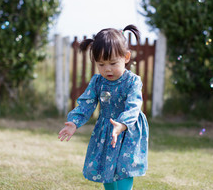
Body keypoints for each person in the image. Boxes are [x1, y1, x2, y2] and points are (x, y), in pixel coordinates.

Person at [58, 24, 149, 190]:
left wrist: (122, 124)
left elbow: (134, 106)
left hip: (128, 129)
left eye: (113, 63)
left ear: (126, 57)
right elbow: (86, 103)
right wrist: (74, 122)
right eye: (101, 64)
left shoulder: (132, 81)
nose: (107, 69)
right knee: (106, 165)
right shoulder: (97, 82)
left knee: (123, 168)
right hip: (106, 129)